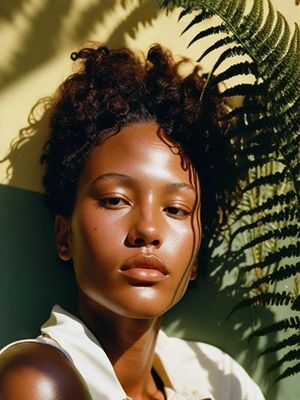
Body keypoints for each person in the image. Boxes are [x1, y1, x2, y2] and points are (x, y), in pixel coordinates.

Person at [0, 43, 265, 400]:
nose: (148, 231)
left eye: (176, 210)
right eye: (115, 200)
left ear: (197, 254)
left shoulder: (221, 381)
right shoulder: (38, 379)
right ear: (64, 237)